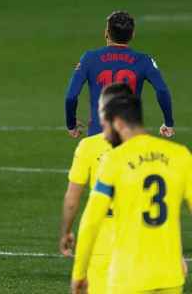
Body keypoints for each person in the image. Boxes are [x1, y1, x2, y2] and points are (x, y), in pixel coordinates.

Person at [71, 94, 191, 294]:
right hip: (170, 275)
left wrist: (79, 274)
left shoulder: (113, 161)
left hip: (129, 278)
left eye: (105, 125)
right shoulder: (180, 155)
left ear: (117, 123)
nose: (104, 133)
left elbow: (91, 222)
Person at [59, 82, 133, 294]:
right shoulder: (157, 152)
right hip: (141, 245)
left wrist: (65, 233)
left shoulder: (90, 146)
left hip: (101, 245)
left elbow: (72, 198)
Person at [64, 11, 174, 138]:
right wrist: (168, 122)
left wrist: (71, 124)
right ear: (132, 34)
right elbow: (162, 90)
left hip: (99, 136)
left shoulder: (89, 58)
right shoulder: (144, 60)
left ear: (106, 33)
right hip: (130, 136)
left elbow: (71, 97)